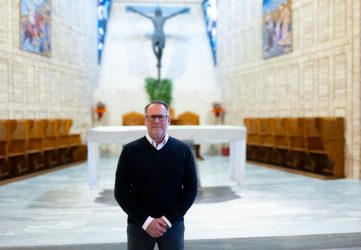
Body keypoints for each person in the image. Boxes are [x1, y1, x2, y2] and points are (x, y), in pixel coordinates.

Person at [114, 100, 198, 250]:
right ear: (145, 120)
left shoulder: (183, 150)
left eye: (161, 116)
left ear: (169, 120)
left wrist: (167, 220)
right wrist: (146, 222)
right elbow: (121, 192)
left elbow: (191, 189)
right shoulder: (130, 151)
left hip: (173, 225)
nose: (156, 121)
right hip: (139, 225)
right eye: (152, 117)